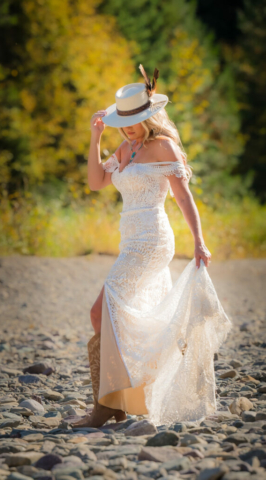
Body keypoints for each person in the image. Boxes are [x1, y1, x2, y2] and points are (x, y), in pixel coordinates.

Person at [71, 65, 232, 429]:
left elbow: (182, 197)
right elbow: (96, 182)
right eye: (122, 122)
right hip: (130, 240)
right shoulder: (125, 147)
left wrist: (199, 240)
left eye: (134, 120)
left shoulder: (163, 146)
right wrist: (95, 138)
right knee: (123, 314)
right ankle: (122, 398)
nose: (127, 128)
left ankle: (107, 405)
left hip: (153, 241)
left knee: (102, 310)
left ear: (150, 115)